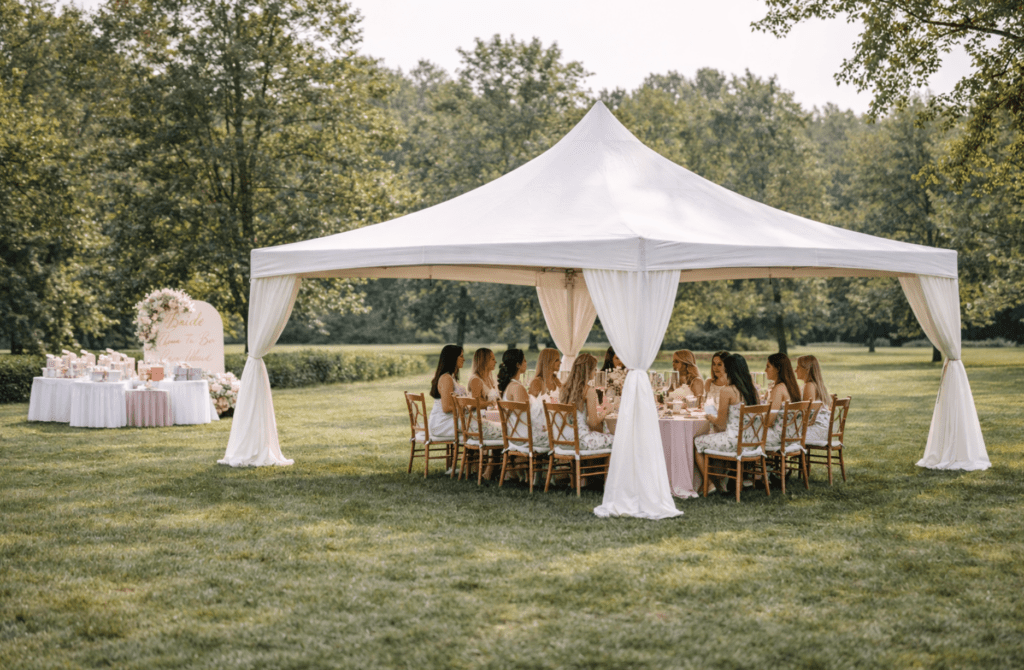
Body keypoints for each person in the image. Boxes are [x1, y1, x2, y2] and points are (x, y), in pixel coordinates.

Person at [694, 353, 760, 492]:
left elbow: (721, 423)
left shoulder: (728, 391)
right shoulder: (752, 390)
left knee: (697, 442)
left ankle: (709, 483)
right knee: (714, 437)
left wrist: (710, 417)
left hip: (734, 441)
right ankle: (720, 481)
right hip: (753, 442)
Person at [559, 353, 614, 451]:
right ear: (588, 371)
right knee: (617, 440)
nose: (596, 372)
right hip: (581, 440)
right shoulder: (589, 391)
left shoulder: (564, 388)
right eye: (594, 369)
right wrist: (607, 411)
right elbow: (593, 423)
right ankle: (605, 467)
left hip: (563, 439)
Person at [428, 345, 466, 438]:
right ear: (452, 358)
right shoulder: (446, 378)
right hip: (442, 424)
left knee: (480, 422)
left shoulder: (451, 377)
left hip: (450, 420)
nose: (464, 359)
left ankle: (475, 451)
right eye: (461, 356)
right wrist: (467, 407)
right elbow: (447, 408)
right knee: (479, 426)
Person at [764, 353, 802, 446]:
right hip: (793, 434)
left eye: (768, 366)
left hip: (779, 437)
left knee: (743, 436)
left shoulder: (779, 389)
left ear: (777, 369)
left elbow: (769, 421)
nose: (765, 370)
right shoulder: (791, 387)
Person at [796, 354, 832, 444]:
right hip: (822, 429)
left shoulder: (809, 386)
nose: (795, 370)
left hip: (815, 430)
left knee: (782, 434)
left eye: (798, 367)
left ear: (806, 370)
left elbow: (805, 414)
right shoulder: (813, 385)